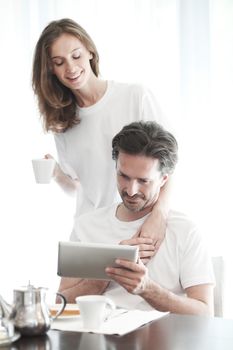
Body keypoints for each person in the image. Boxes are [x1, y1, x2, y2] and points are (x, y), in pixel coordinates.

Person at [32, 18, 171, 259]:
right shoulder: (62, 122)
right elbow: (78, 187)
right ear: (50, 70)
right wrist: (56, 172)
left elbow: (171, 166)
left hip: (136, 231)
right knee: (61, 298)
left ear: (90, 52)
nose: (71, 68)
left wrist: (159, 216)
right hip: (88, 236)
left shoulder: (134, 96)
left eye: (76, 56)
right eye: (59, 62)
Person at [58, 121, 215, 316]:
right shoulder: (87, 225)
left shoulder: (184, 231)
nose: (131, 191)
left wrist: (147, 288)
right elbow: (60, 303)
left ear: (164, 179)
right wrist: (104, 274)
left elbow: (204, 313)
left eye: (143, 181)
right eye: (123, 176)